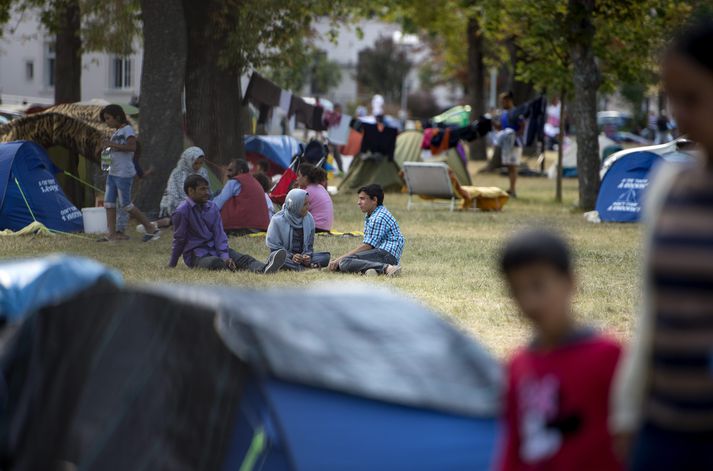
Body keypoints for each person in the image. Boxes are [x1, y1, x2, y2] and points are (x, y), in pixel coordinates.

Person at [612, 20, 713, 470]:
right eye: (674, 100)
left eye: (693, 99)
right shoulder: (669, 184)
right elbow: (651, 312)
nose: (679, 117)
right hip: (663, 431)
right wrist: (628, 413)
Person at [498, 229, 622, 471]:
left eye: (538, 286)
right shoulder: (518, 366)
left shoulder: (608, 357)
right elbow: (513, 447)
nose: (529, 301)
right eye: (516, 290)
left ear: (571, 282)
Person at [168, 174, 286, 273]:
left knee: (243, 258)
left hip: (216, 249)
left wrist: (225, 256)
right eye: (202, 189)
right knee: (214, 262)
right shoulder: (181, 211)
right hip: (196, 255)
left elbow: (219, 234)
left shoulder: (212, 207)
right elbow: (179, 240)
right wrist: (172, 264)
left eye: (207, 189)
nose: (207, 192)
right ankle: (231, 266)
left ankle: (265, 269)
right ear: (190, 191)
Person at [99, 104, 159, 242]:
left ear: (118, 117)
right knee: (109, 204)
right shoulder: (115, 132)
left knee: (126, 205)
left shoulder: (127, 130)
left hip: (123, 174)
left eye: (108, 118)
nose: (106, 121)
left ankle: (151, 228)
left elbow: (132, 147)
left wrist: (112, 144)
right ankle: (111, 234)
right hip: (113, 173)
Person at [328, 184, 404, 276]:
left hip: (386, 255)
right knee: (343, 263)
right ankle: (373, 270)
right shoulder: (373, 214)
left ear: (374, 200)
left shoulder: (378, 217)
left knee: (345, 261)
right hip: (383, 254)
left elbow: (368, 246)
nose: (358, 202)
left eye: (362, 199)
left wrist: (341, 258)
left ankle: (387, 268)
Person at [266, 189, 330, 271]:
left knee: (326, 257)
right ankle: (303, 268)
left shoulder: (309, 218)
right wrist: (292, 256)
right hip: (286, 256)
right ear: (295, 205)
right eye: (304, 204)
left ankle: (299, 267)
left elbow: (309, 246)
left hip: (301, 258)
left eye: (308, 203)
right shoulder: (277, 221)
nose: (308, 207)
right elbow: (274, 248)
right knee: (274, 258)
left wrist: (307, 256)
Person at [156, 146, 209, 227]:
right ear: (187, 161)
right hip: (181, 204)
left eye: (201, 163)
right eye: (195, 163)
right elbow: (173, 195)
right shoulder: (177, 173)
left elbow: (208, 190)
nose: (198, 166)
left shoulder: (203, 172)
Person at [214, 159, 270, 235]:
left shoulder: (235, 181)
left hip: (243, 227)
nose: (228, 174)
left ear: (240, 171)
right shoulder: (255, 182)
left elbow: (218, 203)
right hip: (260, 228)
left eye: (230, 170)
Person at [296, 163, 333, 232]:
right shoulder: (320, 188)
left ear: (305, 177)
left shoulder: (307, 192)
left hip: (315, 228)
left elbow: (296, 212)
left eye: (299, 176)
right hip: (325, 228)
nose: (296, 178)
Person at [500, 91, 523, 198]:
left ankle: (513, 190)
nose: (502, 104)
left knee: (513, 166)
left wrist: (515, 135)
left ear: (509, 101)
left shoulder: (516, 112)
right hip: (506, 144)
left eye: (504, 101)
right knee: (509, 166)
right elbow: (501, 127)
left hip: (515, 143)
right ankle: (510, 188)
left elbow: (522, 125)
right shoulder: (503, 113)